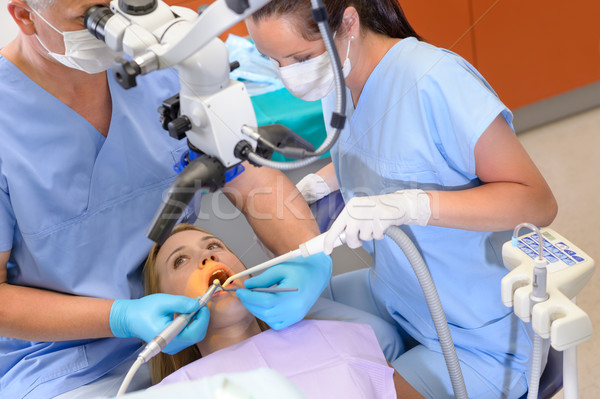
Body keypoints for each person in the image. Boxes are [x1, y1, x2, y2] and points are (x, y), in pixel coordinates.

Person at [0, 0, 331, 397]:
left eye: (115, 11)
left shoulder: (162, 60)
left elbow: (250, 175)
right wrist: (123, 317)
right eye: (91, 19)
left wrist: (311, 258)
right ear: (24, 16)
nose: (116, 32)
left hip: (202, 325)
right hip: (68, 364)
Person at [240, 1, 559, 398]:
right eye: (273, 61)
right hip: (394, 294)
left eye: (299, 58)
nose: (289, 75)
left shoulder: (435, 81)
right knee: (271, 319)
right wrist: (321, 184)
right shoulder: (338, 79)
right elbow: (392, 154)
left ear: (350, 23)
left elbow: (537, 202)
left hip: (477, 335)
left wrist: (413, 205)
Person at [142, 223, 400, 398]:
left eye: (213, 246)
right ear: (165, 307)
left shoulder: (343, 338)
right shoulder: (174, 392)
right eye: (180, 260)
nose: (208, 257)